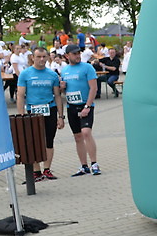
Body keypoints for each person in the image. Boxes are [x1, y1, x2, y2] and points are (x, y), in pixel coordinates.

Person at [16, 47, 64, 181]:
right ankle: (36, 171)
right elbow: (20, 95)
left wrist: (61, 116)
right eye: (38, 57)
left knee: (49, 140)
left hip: (50, 109)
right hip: (33, 111)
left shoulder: (52, 75)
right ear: (33, 57)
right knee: (33, 141)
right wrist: (21, 115)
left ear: (48, 57)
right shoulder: (25, 74)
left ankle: (47, 169)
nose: (41, 59)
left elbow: (57, 96)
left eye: (44, 57)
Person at [60, 45, 101, 176]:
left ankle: (94, 163)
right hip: (71, 107)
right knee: (78, 137)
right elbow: (65, 91)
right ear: (67, 56)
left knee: (86, 132)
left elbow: (93, 88)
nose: (77, 56)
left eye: (78, 53)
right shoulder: (64, 70)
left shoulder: (87, 67)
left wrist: (87, 106)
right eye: (74, 54)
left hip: (85, 105)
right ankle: (84, 166)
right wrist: (62, 88)